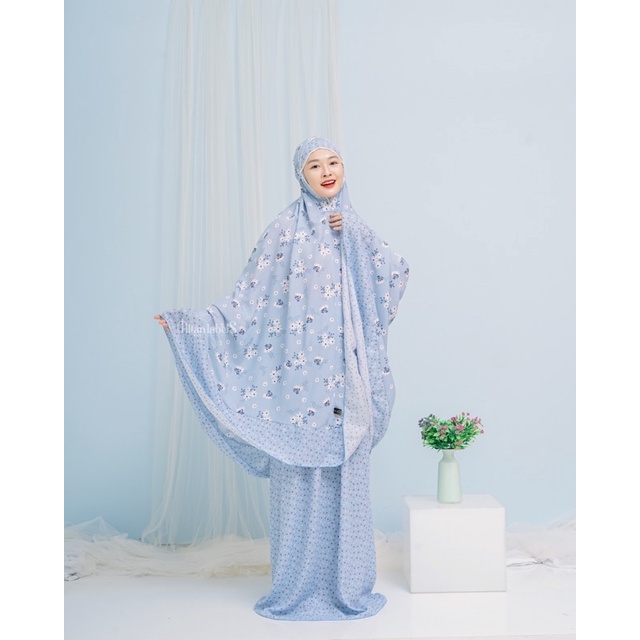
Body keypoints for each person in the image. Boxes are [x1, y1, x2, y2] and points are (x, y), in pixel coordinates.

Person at [155, 137, 409, 620]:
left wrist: (354, 235)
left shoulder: (353, 225)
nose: (327, 172)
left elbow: (395, 276)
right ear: (301, 176)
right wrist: (191, 325)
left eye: (333, 162)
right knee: (297, 484)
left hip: (347, 383)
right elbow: (246, 302)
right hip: (299, 386)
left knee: (347, 481)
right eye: (315, 165)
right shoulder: (283, 230)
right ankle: (295, 587)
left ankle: (347, 588)